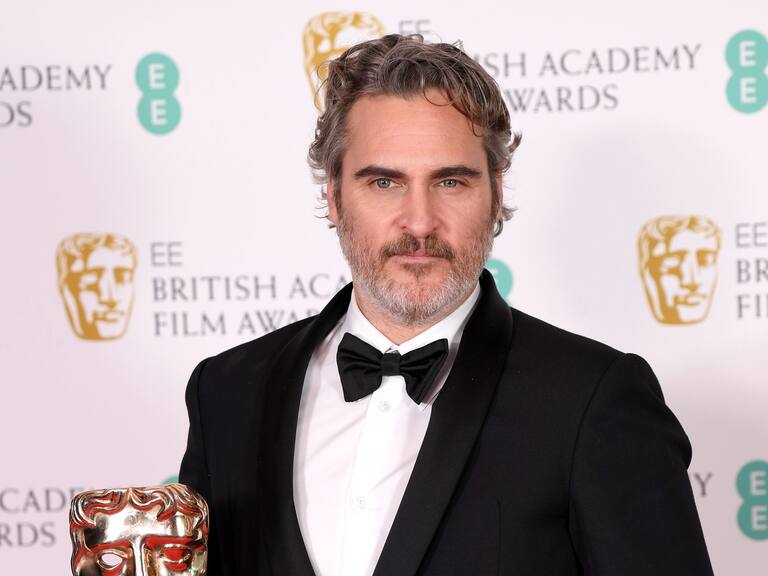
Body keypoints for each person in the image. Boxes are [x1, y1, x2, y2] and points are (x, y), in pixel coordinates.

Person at [179, 34, 713, 575]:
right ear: (335, 198)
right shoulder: (227, 393)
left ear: (496, 195)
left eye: (451, 181)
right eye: (384, 182)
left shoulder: (594, 399)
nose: (419, 222)